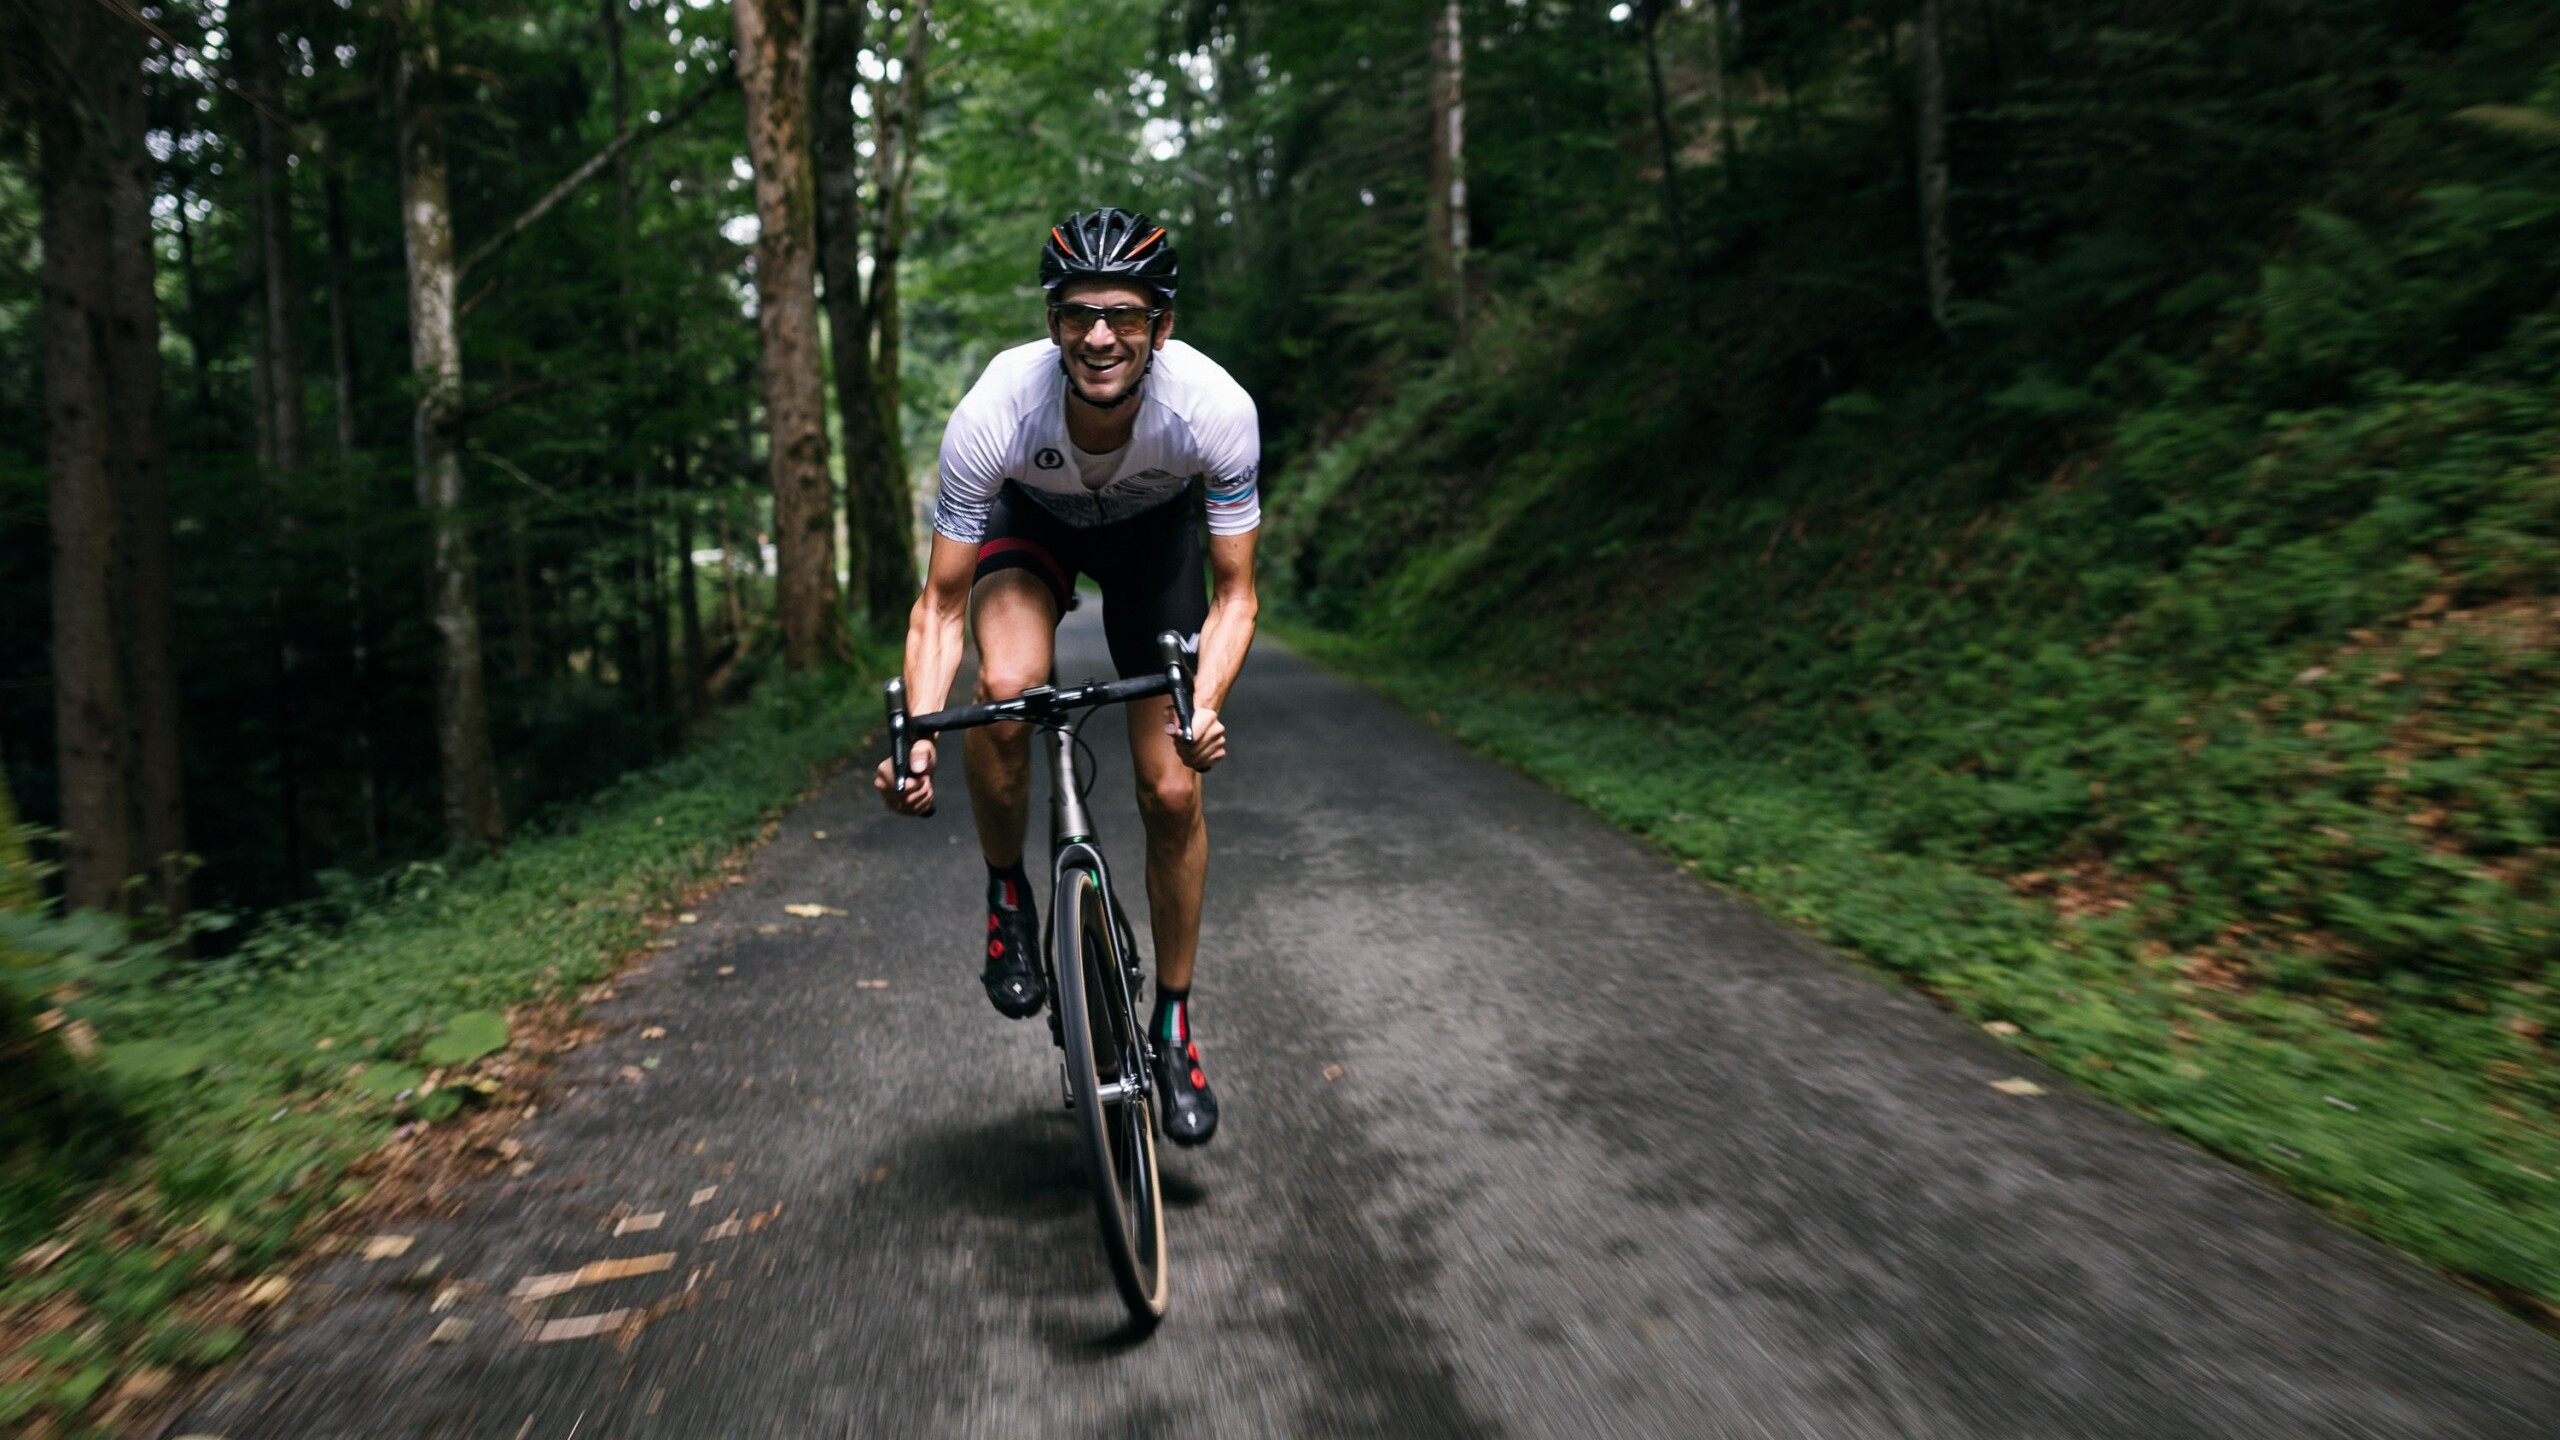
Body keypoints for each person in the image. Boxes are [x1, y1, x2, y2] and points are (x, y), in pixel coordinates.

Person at [872, 208, 1259, 1147]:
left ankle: (1171, 1024)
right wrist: (919, 732)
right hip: (1029, 523)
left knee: (1172, 790)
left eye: (1123, 315)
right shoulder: (998, 409)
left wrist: (1203, 708)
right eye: (1079, 312)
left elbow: (1236, 595)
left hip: (1153, 544)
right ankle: (1009, 893)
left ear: (1160, 326)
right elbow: (941, 606)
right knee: (1004, 693)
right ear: (1051, 323)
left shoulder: (1213, 408)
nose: (1099, 335)